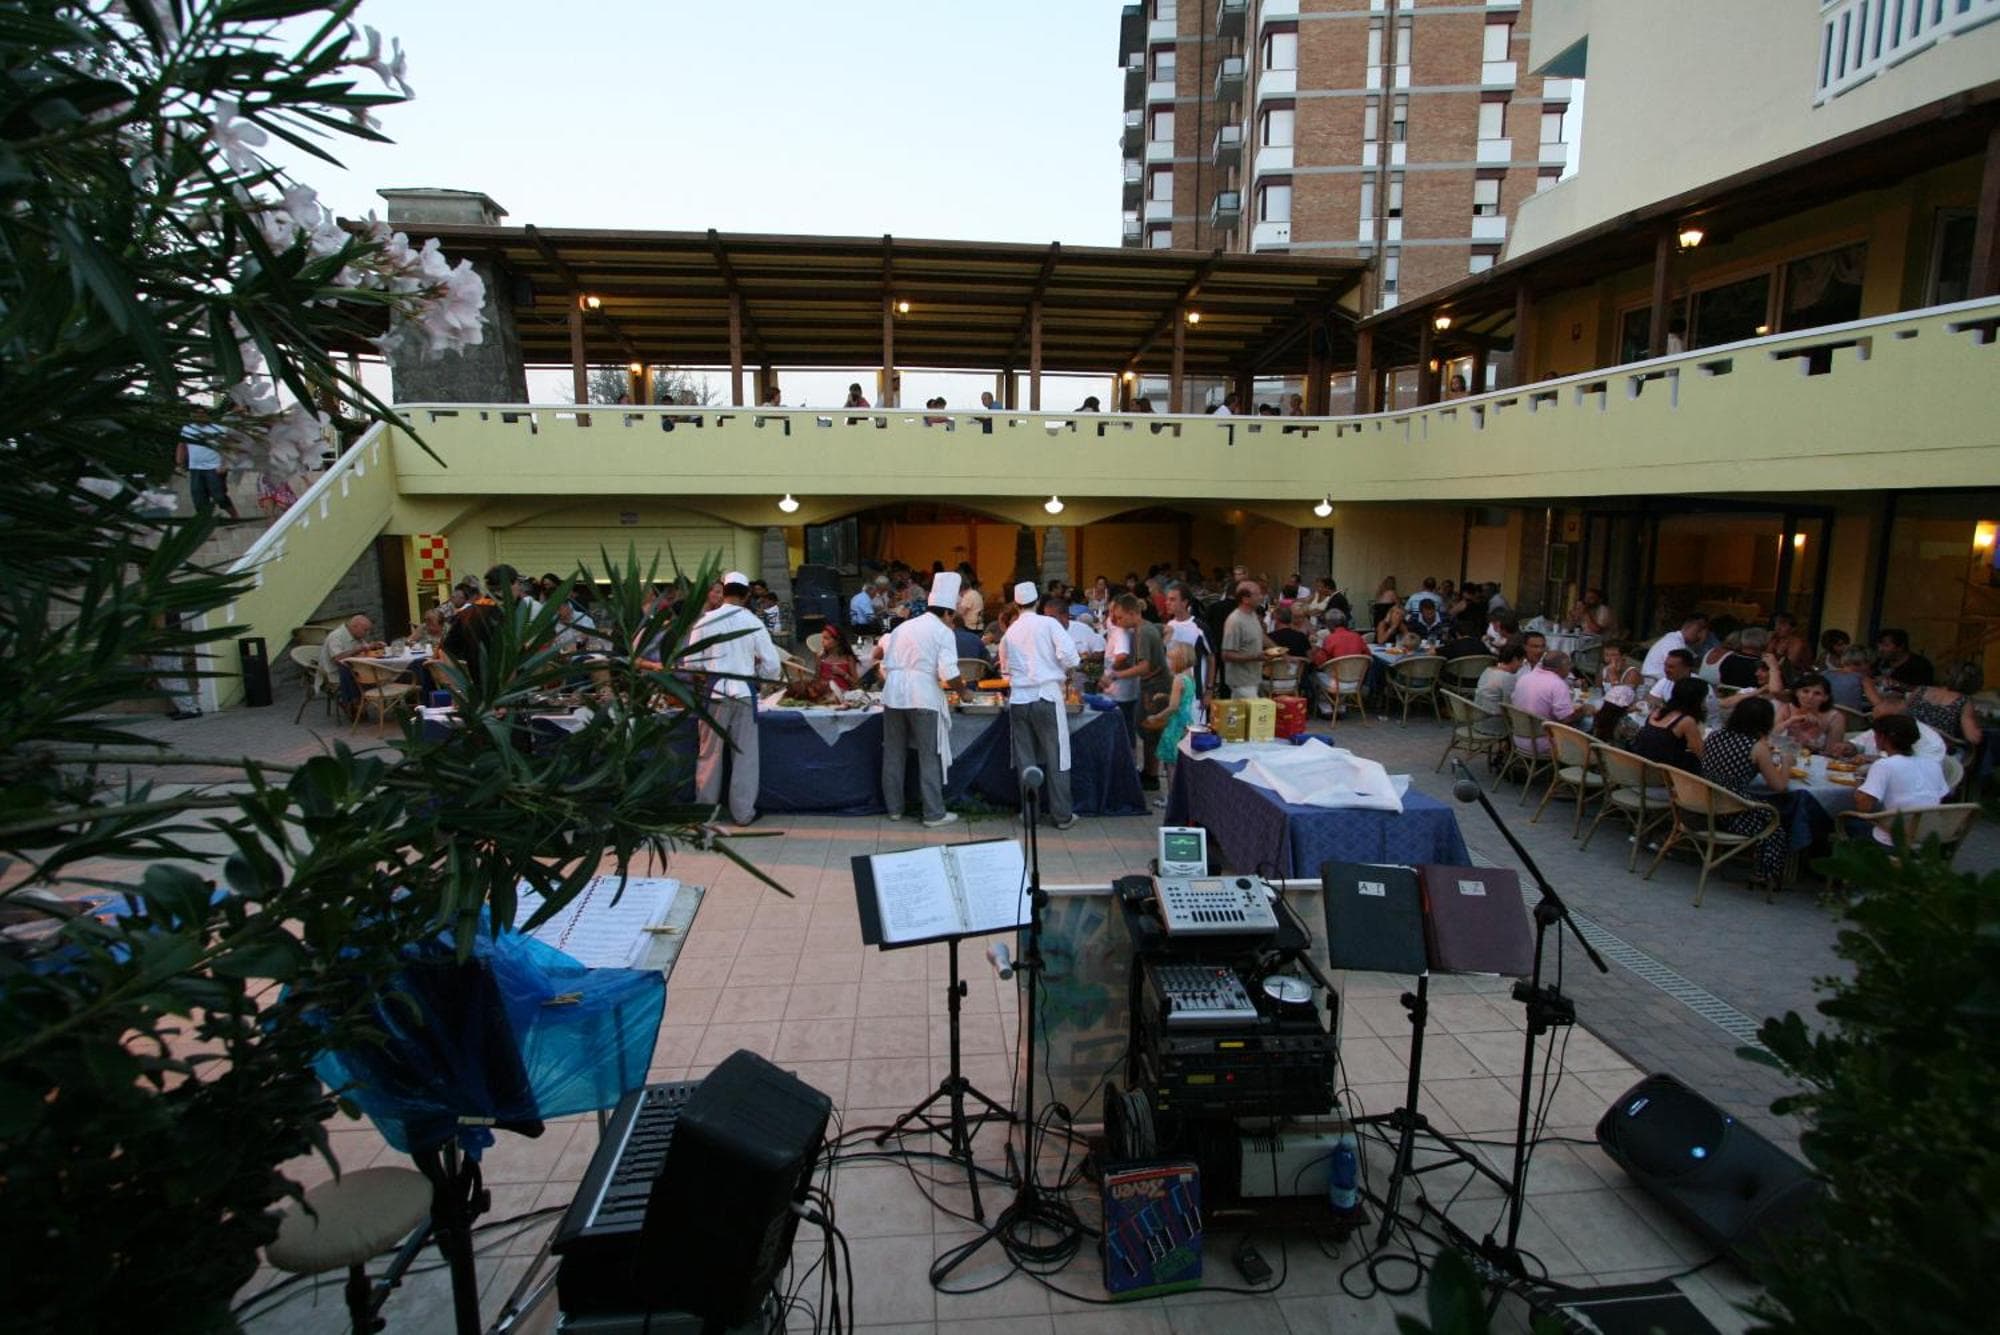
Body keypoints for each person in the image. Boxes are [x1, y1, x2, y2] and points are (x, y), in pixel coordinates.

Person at [688, 571, 782, 828]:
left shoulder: (705, 621)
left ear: (724, 591)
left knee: (709, 755)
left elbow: (691, 663)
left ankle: (705, 813)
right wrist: (760, 677)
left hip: (714, 693)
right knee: (745, 756)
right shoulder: (753, 622)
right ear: (747, 594)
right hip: (743, 693)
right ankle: (743, 813)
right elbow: (772, 665)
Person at [874, 573, 967, 827]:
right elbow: (948, 672)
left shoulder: (903, 627)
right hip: (923, 696)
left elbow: (883, 665)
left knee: (893, 753)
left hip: (893, 695)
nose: (952, 621)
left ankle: (894, 809)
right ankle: (933, 813)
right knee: (929, 756)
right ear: (947, 613)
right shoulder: (943, 632)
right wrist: (964, 692)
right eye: (952, 616)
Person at [999, 581, 1082, 828]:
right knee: (1057, 757)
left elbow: (1005, 671)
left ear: (1016, 604)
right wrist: (1063, 670)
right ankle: (1062, 815)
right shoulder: (1049, 624)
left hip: (1019, 699)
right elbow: (1071, 658)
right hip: (1046, 695)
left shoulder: (1010, 632)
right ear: (1037, 602)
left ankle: (1029, 815)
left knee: (1025, 759)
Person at [1698, 696, 1789, 890]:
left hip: (1703, 801)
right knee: (1775, 826)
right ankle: (1766, 874)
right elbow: (1779, 786)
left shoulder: (1715, 736)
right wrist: (1787, 762)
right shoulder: (1756, 747)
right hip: (1732, 809)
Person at [1851, 714, 1951, 844]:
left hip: (1892, 837)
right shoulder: (1933, 764)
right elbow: (1937, 797)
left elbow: (1863, 807)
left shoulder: (1884, 765)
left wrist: (1859, 778)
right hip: (1928, 838)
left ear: (1882, 738)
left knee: (1844, 821)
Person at [1105, 594, 1169, 791]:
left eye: (1121, 617)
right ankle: (1148, 772)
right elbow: (1167, 628)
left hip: (1156, 687)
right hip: (1152, 684)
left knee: (1150, 730)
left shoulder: (1143, 633)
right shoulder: (1147, 627)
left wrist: (1116, 675)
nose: (1118, 621)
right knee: (1145, 729)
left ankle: (1151, 776)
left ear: (1133, 613)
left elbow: (1144, 666)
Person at [1146, 642, 1200, 798]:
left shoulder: (1178, 679)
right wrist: (1165, 696)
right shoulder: (1190, 676)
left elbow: (1173, 707)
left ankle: (1171, 799)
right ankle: (1181, 797)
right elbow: (1183, 698)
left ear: (1179, 660)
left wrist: (1156, 716)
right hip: (1187, 722)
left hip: (1175, 724)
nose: (1168, 663)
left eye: (1170, 659)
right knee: (1180, 761)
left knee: (1171, 764)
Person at [1632, 676, 1708, 771]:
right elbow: (1700, 752)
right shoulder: (1686, 721)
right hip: (1664, 772)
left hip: (1641, 766)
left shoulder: (1656, 712)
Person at [1899, 662, 1983, 749]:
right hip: (1936, 750)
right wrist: (1976, 722)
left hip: (1907, 744)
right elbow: (1973, 738)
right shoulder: (1963, 702)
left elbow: (1901, 715)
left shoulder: (1921, 690)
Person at [177, 408, 240, 520]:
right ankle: (204, 524)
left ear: (207, 415)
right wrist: (180, 463)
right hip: (195, 468)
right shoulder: (187, 429)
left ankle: (235, 516)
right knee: (199, 498)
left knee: (219, 496)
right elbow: (182, 445)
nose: (198, 417)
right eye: (195, 414)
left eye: (201, 414)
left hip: (214, 467)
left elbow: (230, 447)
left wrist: (226, 464)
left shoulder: (219, 428)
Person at [1511, 649, 1578, 752]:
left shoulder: (1524, 678)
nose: (1570, 669)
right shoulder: (1557, 684)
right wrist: (1583, 711)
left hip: (1518, 738)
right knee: (1584, 727)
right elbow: (1566, 719)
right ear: (1561, 667)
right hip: (1543, 743)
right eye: (1569, 665)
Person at [318, 613, 382, 716]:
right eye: (365, 630)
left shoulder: (356, 635)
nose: (367, 633)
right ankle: (354, 703)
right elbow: (338, 658)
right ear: (354, 626)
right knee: (365, 676)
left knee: (377, 673)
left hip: (354, 669)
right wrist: (359, 649)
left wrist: (374, 646)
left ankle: (359, 704)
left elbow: (365, 649)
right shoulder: (335, 636)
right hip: (334, 674)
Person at [1647, 647, 1722, 730]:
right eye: (1665, 665)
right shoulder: (1666, 680)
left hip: (1704, 727)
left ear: (1687, 668)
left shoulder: (1701, 688)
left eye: (1671, 667)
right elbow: (1651, 699)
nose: (1666, 669)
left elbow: (1704, 715)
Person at [1220, 582, 1270, 699]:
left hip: (1252, 678)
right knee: (1256, 709)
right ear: (1245, 599)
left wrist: (1279, 650)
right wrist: (1255, 657)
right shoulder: (1235, 621)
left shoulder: (1252, 615)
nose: (1261, 597)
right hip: (1241, 681)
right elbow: (1226, 655)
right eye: (1257, 594)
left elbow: (1260, 635)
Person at [1472, 641, 1526, 736]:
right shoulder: (1508, 677)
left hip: (1478, 721)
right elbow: (1509, 707)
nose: (1522, 665)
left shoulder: (1487, 670)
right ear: (1514, 659)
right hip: (1495, 724)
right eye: (1521, 661)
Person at [1642, 613, 1709, 681]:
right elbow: (1683, 670)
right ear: (1687, 626)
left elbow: (1697, 662)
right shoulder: (1674, 641)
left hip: (1660, 680)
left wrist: (1700, 642)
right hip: (1653, 680)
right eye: (1699, 630)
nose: (1700, 635)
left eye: (1703, 631)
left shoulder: (1679, 640)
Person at [815, 621, 864, 694]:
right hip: (825, 695)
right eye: (822, 638)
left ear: (837, 641)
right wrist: (818, 666)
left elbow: (857, 685)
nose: (822, 641)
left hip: (844, 696)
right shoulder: (822, 657)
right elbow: (816, 680)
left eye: (826, 638)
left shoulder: (848, 658)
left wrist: (843, 674)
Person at [1825, 644, 1872, 711]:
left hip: (1826, 714)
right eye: (1868, 662)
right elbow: (1879, 704)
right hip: (1852, 716)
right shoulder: (1862, 679)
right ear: (1864, 663)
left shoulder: (1825, 674)